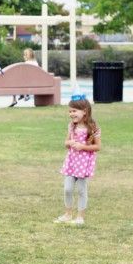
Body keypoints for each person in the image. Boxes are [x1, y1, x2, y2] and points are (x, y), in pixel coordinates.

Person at [54, 95, 101, 225]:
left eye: (74, 111)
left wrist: (83, 147)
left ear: (84, 111)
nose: (71, 114)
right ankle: (68, 214)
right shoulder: (71, 126)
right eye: (70, 111)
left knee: (81, 190)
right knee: (67, 189)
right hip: (71, 162)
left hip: (83, 163)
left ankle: (80, 217)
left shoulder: (93, 127)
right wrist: (70, 142)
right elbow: (66, 143)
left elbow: (97, 146)